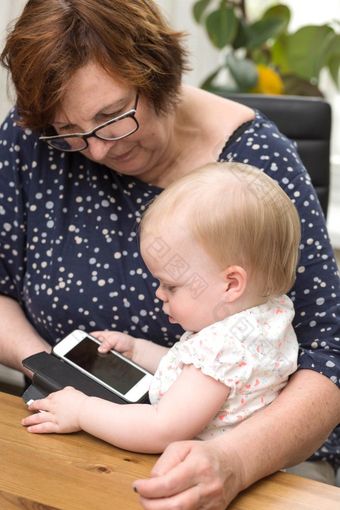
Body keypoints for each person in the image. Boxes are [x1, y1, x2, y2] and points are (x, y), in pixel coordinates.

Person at [0, 0, 339, 508]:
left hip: (235, 465)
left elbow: (328, 360)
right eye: (69, 132)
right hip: (68, 435)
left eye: (112, 117)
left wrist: (237, 460)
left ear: (156, 72)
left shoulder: (260, 165)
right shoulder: (34, 140)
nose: (96, 150)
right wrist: (54, 371)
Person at [22, 162, 301, 450]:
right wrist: (136, 349)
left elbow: (160, 428)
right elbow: (194, 370)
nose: (159, 294)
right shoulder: (268, 314)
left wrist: (81, 411)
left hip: (187, 469)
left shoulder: (223, 349)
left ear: (230, 284)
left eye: (171, 285)